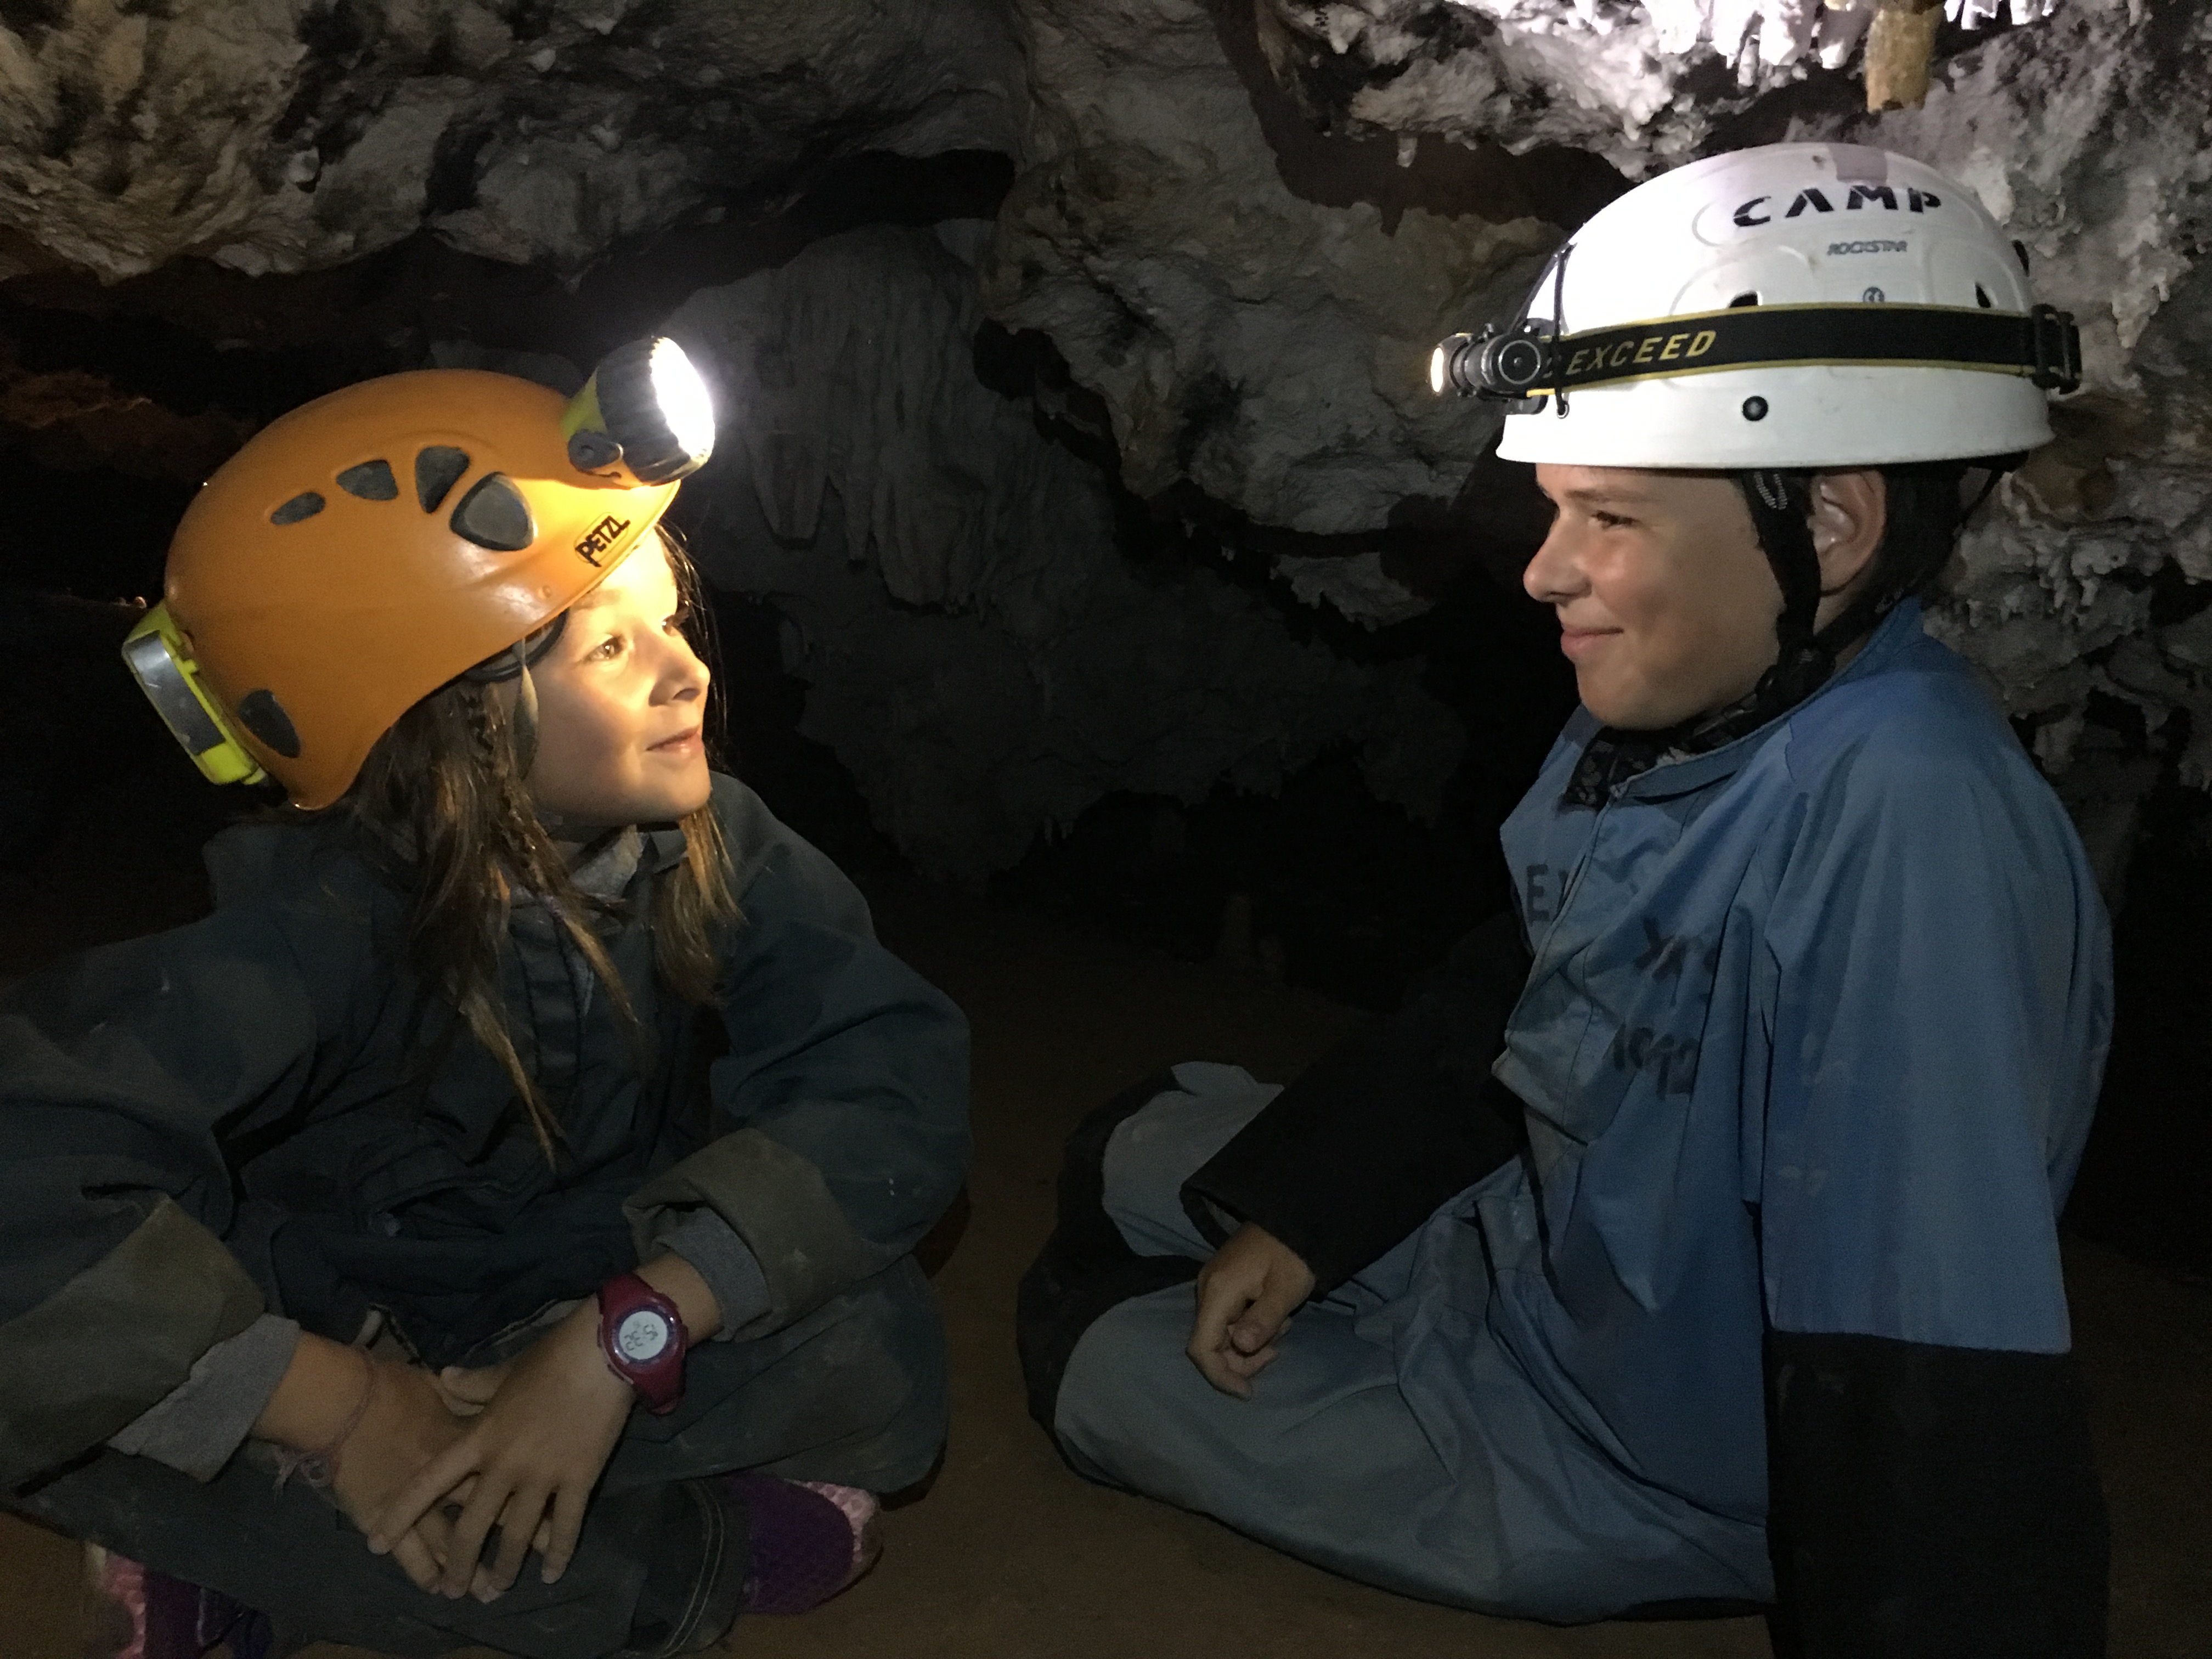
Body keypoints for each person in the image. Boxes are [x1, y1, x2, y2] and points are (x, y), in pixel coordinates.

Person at [1019, 143, 2112, 1656]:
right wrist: (1313, 1219)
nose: (1548, 574)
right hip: (1540, 1248)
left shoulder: (1907, 828)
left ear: (1833, 526)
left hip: (1631, 1447)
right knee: (1129, 1147)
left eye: (1610, 519)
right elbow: (1518, 984)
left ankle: (1671, 1548)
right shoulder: (1682, 716)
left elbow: (1930, 1366)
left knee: (1086, 1352)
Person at [0, 340, 970, 1659]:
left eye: (670, 621)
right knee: (63, 1365)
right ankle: (602, 1559)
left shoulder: (716, 843)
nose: (683, 674)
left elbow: (888, 1076)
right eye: (609, 648)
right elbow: (28, 1155)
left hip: (579, 1291)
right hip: (349, 1318)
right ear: (452, 733)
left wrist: (625, 1338)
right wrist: (338, 1404)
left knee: (874, 1316)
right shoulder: (317, 925)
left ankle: (283, 1532)